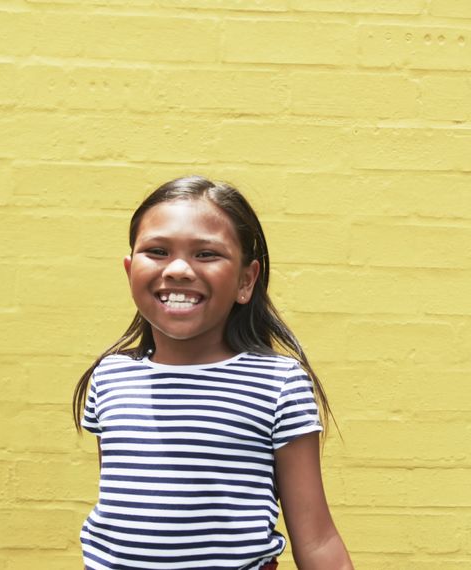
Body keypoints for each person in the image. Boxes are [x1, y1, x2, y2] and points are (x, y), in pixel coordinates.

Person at [71, 176, 353, 570]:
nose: (180, 269)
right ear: (129, 269)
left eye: (206, 254)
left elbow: (318, 539)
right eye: (157, 251)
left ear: (245, 280)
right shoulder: (110, 379)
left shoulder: (278, 385)